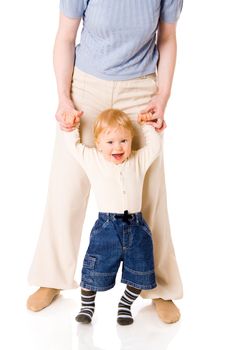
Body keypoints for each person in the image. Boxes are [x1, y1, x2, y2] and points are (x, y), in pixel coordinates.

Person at [27, 0, 183, 324]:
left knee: (150, 194)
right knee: (66, 188)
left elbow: (166, 37)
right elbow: (66, 37)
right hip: (86, 87)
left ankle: (159, 287)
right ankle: (53, 277)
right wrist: (63, 97)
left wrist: (162, 96)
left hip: (140, 90)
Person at [63, 108, 161, 325]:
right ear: (98, 144)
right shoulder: (93, 159)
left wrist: (147, 124)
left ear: (131, 140)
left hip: (136, 228)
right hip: (106, 228)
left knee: (141, 271)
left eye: (123, 140)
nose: (118, 147)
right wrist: (72, 126)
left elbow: (154, 147)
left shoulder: (138, 160)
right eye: (110, 142)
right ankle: (87, 306)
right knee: (94, 268)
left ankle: (125, 305)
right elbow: (73, 146)